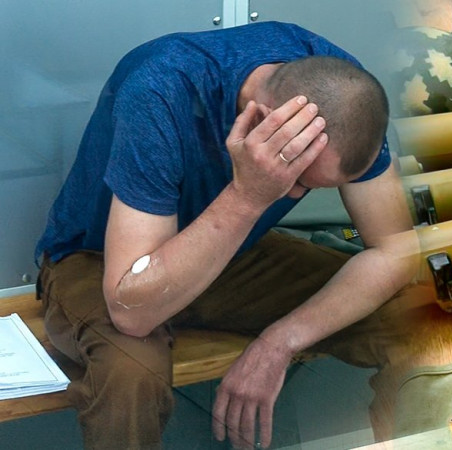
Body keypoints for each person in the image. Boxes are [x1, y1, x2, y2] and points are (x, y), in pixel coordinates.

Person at [35, 21, 416, 449]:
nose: (294, 195)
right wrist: (250, 195)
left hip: (235, 251)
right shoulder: (160, 89)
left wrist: (281, 340)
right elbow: (132, 312)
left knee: (413, 314)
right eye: (293, 177)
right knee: (129, 374)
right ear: (260, 122)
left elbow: (397, 250)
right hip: (101, 261)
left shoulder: (344, 93)